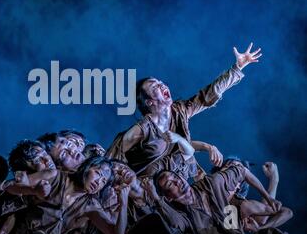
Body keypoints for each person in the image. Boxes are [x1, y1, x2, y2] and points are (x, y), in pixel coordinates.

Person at [107, 43, 262, 178]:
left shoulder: (179, 111)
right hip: (144, 189)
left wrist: (237, 67)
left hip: (173, 185)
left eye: (161, 82)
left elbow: (207, 95)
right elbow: (112, 157)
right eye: (155, 87)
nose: (162, 85)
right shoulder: (141, 130)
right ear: (150, 102)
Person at [7, 156, 130, 234]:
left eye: (103, 181)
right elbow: (10, 187)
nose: (99, 182)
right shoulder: (54, 175)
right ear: (88, 167)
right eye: (98, 174)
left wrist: (123, 203)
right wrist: (33, 190)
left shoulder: (90, 205)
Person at [155, 160, 281, 234]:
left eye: (176, 177)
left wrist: (273, 183)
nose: (177, 181)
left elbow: (275, 213)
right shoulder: (181, 213)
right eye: (170, 184)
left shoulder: (235, 204)